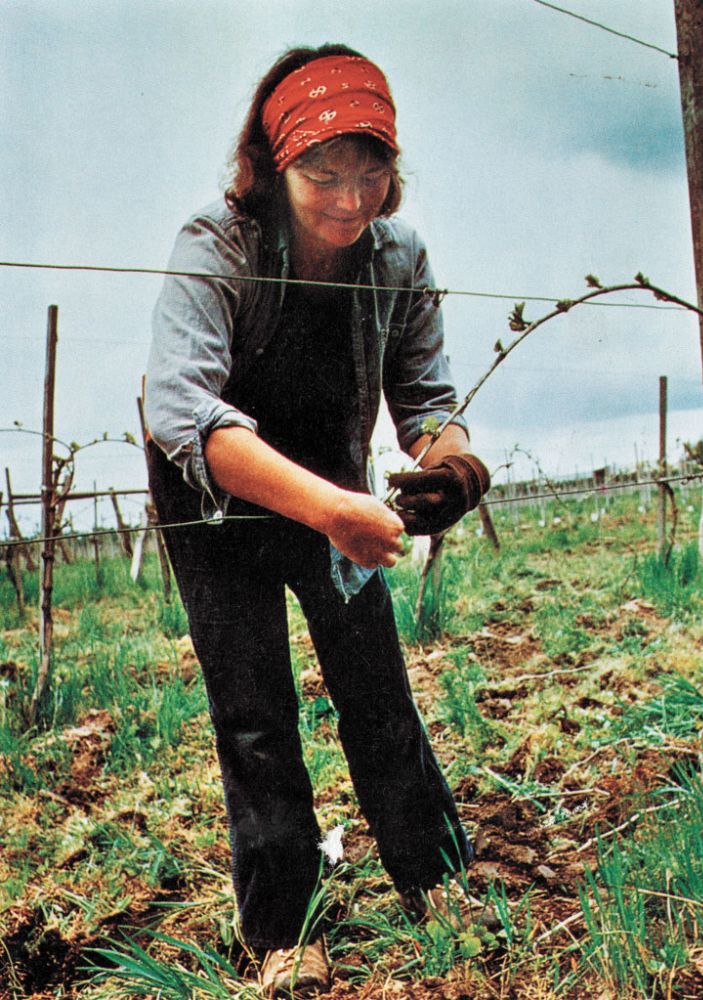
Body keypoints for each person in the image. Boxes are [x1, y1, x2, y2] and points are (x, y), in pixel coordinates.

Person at [144, 43, 491, 998]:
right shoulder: (218, 241)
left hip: (331, 485)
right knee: (254, 712)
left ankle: (437, 875)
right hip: (214, 495)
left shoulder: (398, 254)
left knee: (375, 685)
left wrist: (453, 464)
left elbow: (426, 401)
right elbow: (179, 410)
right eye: (321, 173)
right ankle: (285, 926)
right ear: (274, 163)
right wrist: (332, 510)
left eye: (370, 168)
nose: (350, 196)